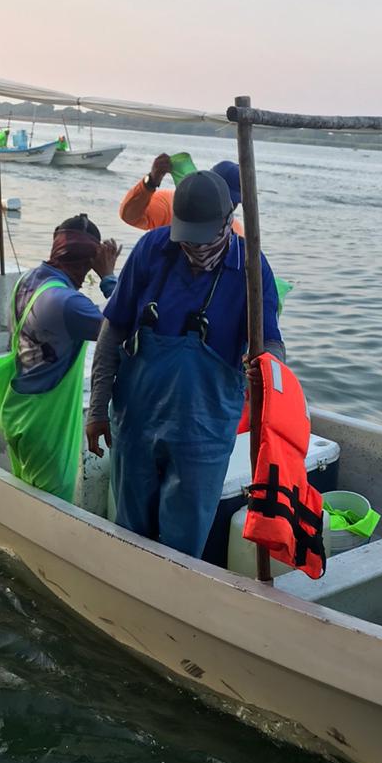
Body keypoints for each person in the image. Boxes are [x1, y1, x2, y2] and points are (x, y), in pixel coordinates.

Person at [87, 170, 284, 558]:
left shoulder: (251, 267)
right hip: (137, 421)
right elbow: (113, 330)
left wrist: (265, 365)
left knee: (184, 541)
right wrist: (97, 407)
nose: (193, 247)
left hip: (203, 428)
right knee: (131, 535)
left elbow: (273, 344)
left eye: (203, 236)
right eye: (186, 237)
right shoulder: (152, 249)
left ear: (228, 222)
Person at [0, 215, 120, 503]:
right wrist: (109, 277)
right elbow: (120, 327)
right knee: (52, 503)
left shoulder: (30, 279)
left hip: (18, 408)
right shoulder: (67, 303)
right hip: (46, 422)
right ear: (88, 263)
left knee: (27, 494)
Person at [120, 154, 244, 236]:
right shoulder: (169, 204)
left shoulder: (237, 234)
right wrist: (150, 182)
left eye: (232, 201)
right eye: (219, 198)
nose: (226, 206)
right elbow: (130, 216)